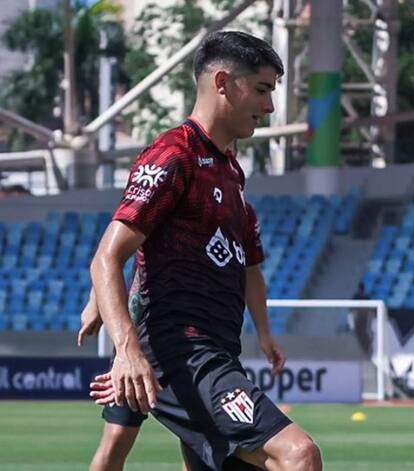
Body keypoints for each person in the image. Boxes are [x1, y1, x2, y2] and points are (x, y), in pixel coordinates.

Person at [88, 30, 321, 471]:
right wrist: (126, 348)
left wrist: (265, 332)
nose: (270, 107)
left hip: (217, 352)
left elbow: (249, 267)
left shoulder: (232, 174)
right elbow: (108, 254)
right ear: (222, 83)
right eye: (262, 90)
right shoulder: (173, 155)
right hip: (182, 353)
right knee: (298, 455)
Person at [78, 203, 284, 471]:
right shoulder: (172, 193)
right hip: (143, 340)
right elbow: (113, 251)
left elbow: (252, 272)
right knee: (117, 438)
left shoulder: (243, 213)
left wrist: (265, 333)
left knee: (200, 432)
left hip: (199, 345)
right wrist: (96, 301)